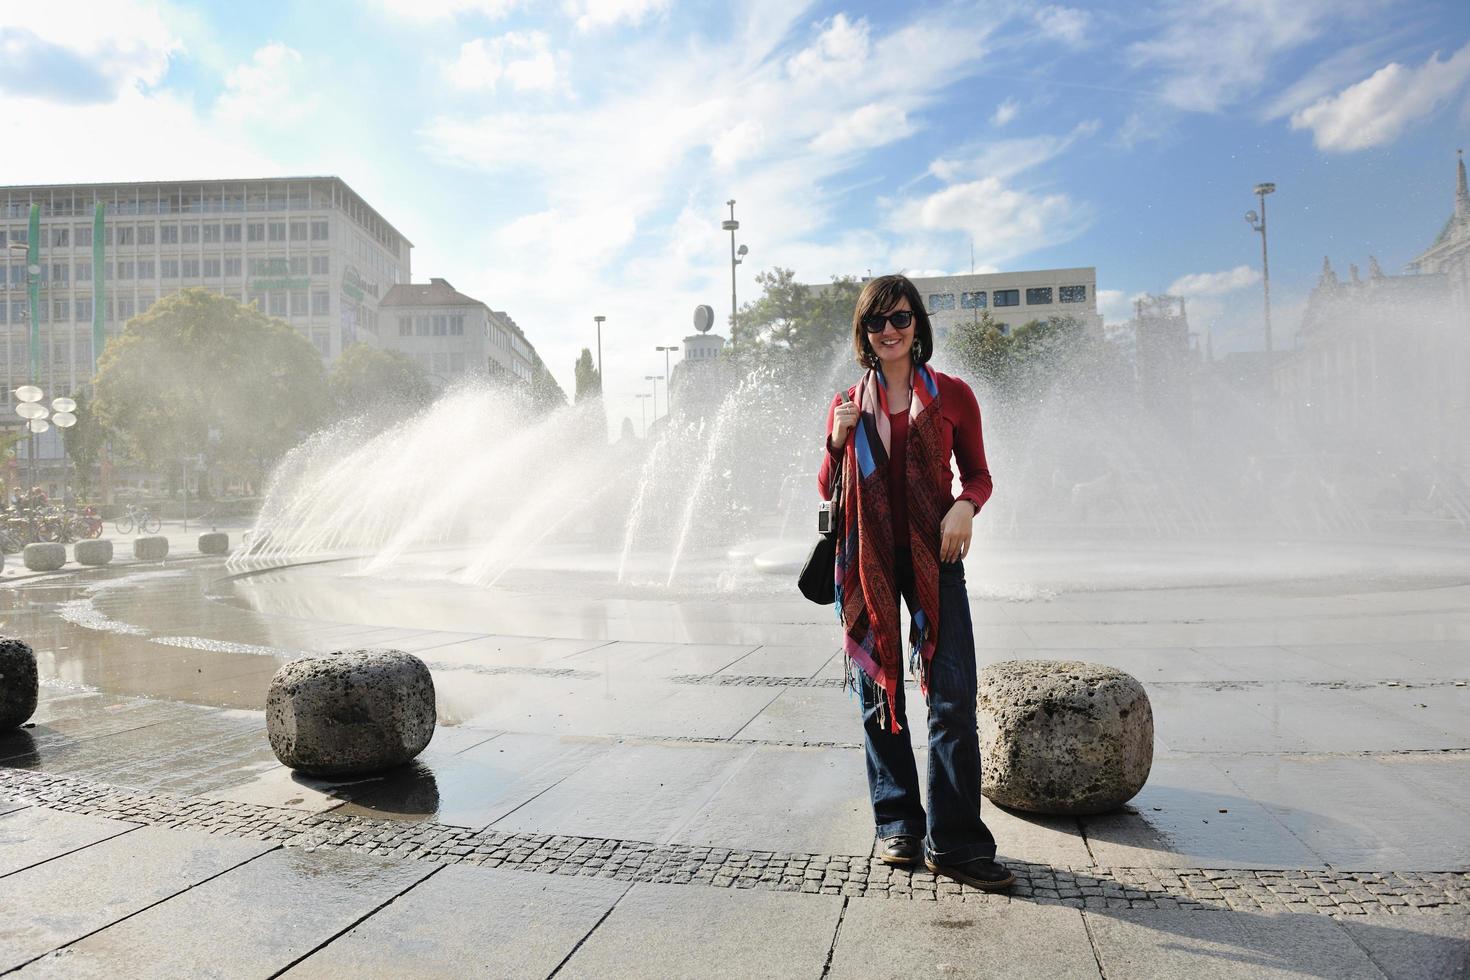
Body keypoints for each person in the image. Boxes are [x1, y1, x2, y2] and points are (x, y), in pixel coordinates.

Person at [818, 274, 1012, 891]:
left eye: (900, 319)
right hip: (868, 559)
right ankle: (897, 822)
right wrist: (839, 436)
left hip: (938, 558)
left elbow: (978, 474)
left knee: (952, 698)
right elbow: (827, 486)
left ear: (918, 325)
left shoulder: (952, 395)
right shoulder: (848, 400)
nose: (890, 331)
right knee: (881, 691)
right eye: (877, 323)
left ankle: (954, 842)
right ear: (864, 334)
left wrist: (965, 507)